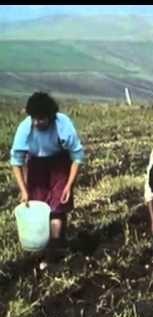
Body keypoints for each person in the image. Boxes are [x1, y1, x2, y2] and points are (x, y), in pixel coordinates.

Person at [10, 92, 85, 263]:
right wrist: (24, 190)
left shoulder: (63, 124)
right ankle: (42, 246)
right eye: (34, 118)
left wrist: (69, 185)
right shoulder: (25, 128)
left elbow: (77, 157)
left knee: (58, 206)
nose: (37, 123)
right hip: (36, 163)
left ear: (51, 116)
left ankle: (55, 248)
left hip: (59, 162)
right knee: (39, 207)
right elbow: (16, 161)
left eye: (41, 119)